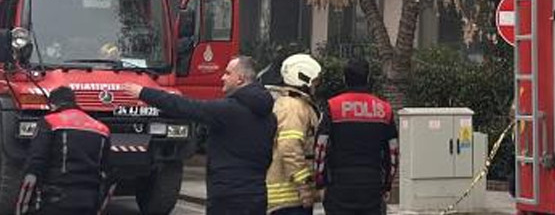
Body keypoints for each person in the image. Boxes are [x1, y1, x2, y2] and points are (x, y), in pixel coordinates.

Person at [128, 56, 276, 215]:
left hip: (227, 197)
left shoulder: (228, 111)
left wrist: (143, 92)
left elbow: (185, 106)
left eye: (227, 73)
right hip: (257, 195)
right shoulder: (269, 117)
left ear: (240, 79)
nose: (222, 77)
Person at [315, 58, 398, 215]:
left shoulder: (333, 106)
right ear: (368, 78)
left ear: (345, 79)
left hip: (339, 185)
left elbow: (321, 148)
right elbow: (393, 153)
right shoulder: (384, 109)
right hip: (372, 185)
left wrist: (320, 183)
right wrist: (387, 185)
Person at [17, 87, 111, 215]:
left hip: (55, 200)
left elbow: (36, 162)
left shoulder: (50, 122)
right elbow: (107, 172)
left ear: (52, 105)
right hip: (89, 201)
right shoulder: (102, 129)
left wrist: (22, 208)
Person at [265, 54, 321, 215]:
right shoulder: (293, 108)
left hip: (289, 197)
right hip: (289, 198)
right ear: (303, 77)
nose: (316, 86)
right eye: (315, 81)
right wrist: (304, 185)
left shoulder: (291, 104)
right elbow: (289, 148)